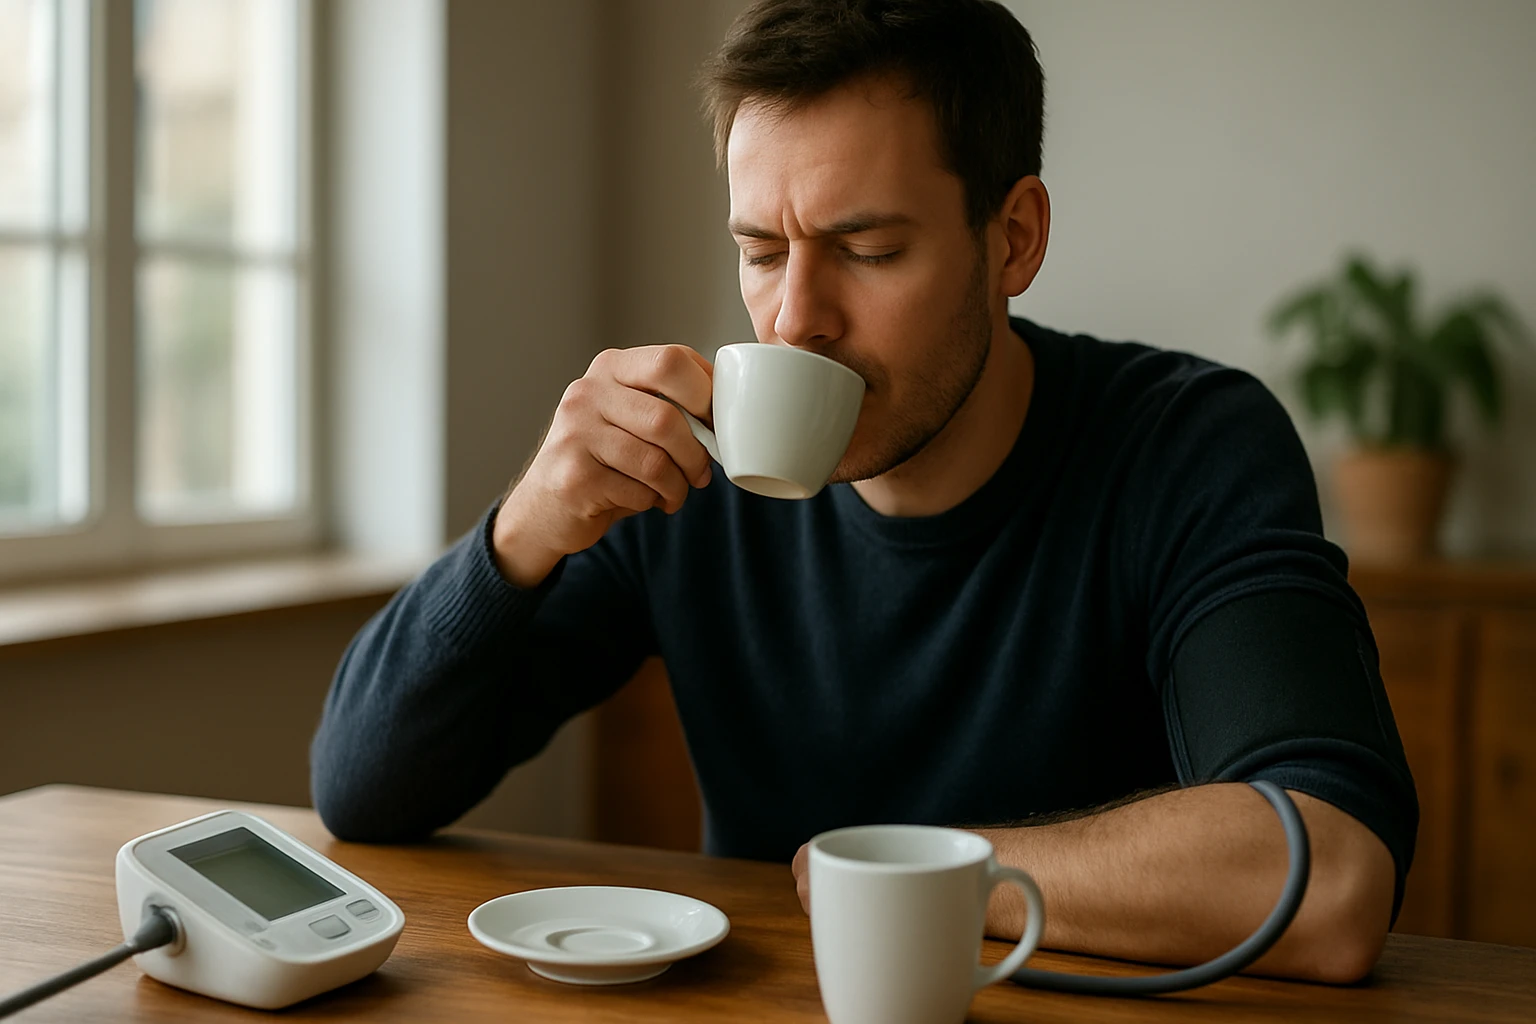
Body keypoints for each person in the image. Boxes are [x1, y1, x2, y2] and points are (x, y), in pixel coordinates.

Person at [311, 0, 1417, 983]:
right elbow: (363, 789)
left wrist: (898, 874)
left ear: (1014, 237)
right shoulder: (688, 468)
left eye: (869, 248)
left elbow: (1328, 880)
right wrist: (522, 535)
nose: (795, 318)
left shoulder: (1185, 446)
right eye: (759, 250)